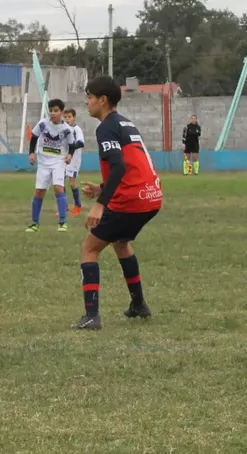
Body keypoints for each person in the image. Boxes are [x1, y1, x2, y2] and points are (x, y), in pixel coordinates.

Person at [73, 76, 163, 330]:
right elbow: (131, 166)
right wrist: (103, 189)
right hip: (151, 196)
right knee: (120, 242)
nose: (86, 101)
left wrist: (101, 204)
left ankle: (91, 316)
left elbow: (119, 165)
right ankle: (139, 305)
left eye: (89, 96)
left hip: (132, 199)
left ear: (103, 100)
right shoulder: (125, 123)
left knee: (89, 249)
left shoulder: (105, 127)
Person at [26, 99, 77, 233]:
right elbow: (34, 137)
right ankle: (35, 223)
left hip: (58, 161)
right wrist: (31, 153)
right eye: (51, 110)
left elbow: (72, 145)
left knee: (59, 188)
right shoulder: (43, 124)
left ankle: (62, 222)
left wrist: (70, 155)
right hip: (43, 162)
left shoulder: (66, 129)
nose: (53, 113)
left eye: (56, 111)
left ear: (61, 112)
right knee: (39, 191)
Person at [62, 108, 86, 217]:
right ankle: (64, 206)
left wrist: (71, 149)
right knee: (59, 182)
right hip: (63, 159)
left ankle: (78, 205)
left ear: (74, 118)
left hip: (74, 160)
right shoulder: (62, 129)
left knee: (72, 184)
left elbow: (81, 143)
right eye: (65, 117)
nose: (67, 119)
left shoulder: (76, 129)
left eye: (69, 117)